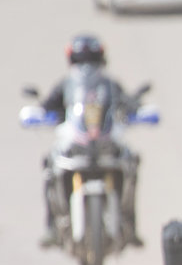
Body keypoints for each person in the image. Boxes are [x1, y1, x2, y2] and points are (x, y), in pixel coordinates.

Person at [38, 33, 142, 249]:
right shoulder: (68, 84)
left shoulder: (108, 84)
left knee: (131, 163)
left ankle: (129, 223)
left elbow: (127, 103)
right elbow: (47, 107)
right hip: (75, 143)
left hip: (106, 144)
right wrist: (39, 113)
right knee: (50, 164)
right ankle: (51, 226)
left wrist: (137, 108)